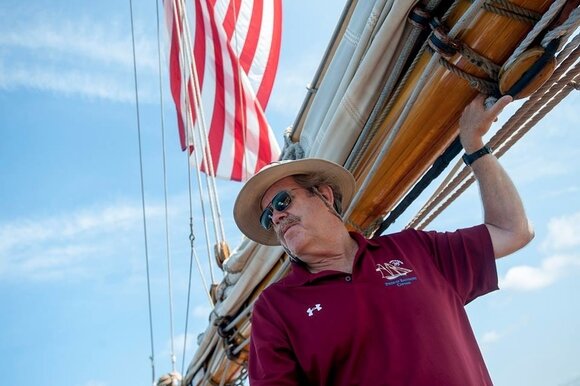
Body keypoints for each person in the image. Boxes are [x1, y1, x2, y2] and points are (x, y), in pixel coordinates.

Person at [233, 94, 534, 386]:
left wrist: (474, 146)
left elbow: (513, 231)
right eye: (267, 217)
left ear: (324, 196)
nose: (276, 217)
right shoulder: (275, 309)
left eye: (283, 201)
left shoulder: (415, 250)